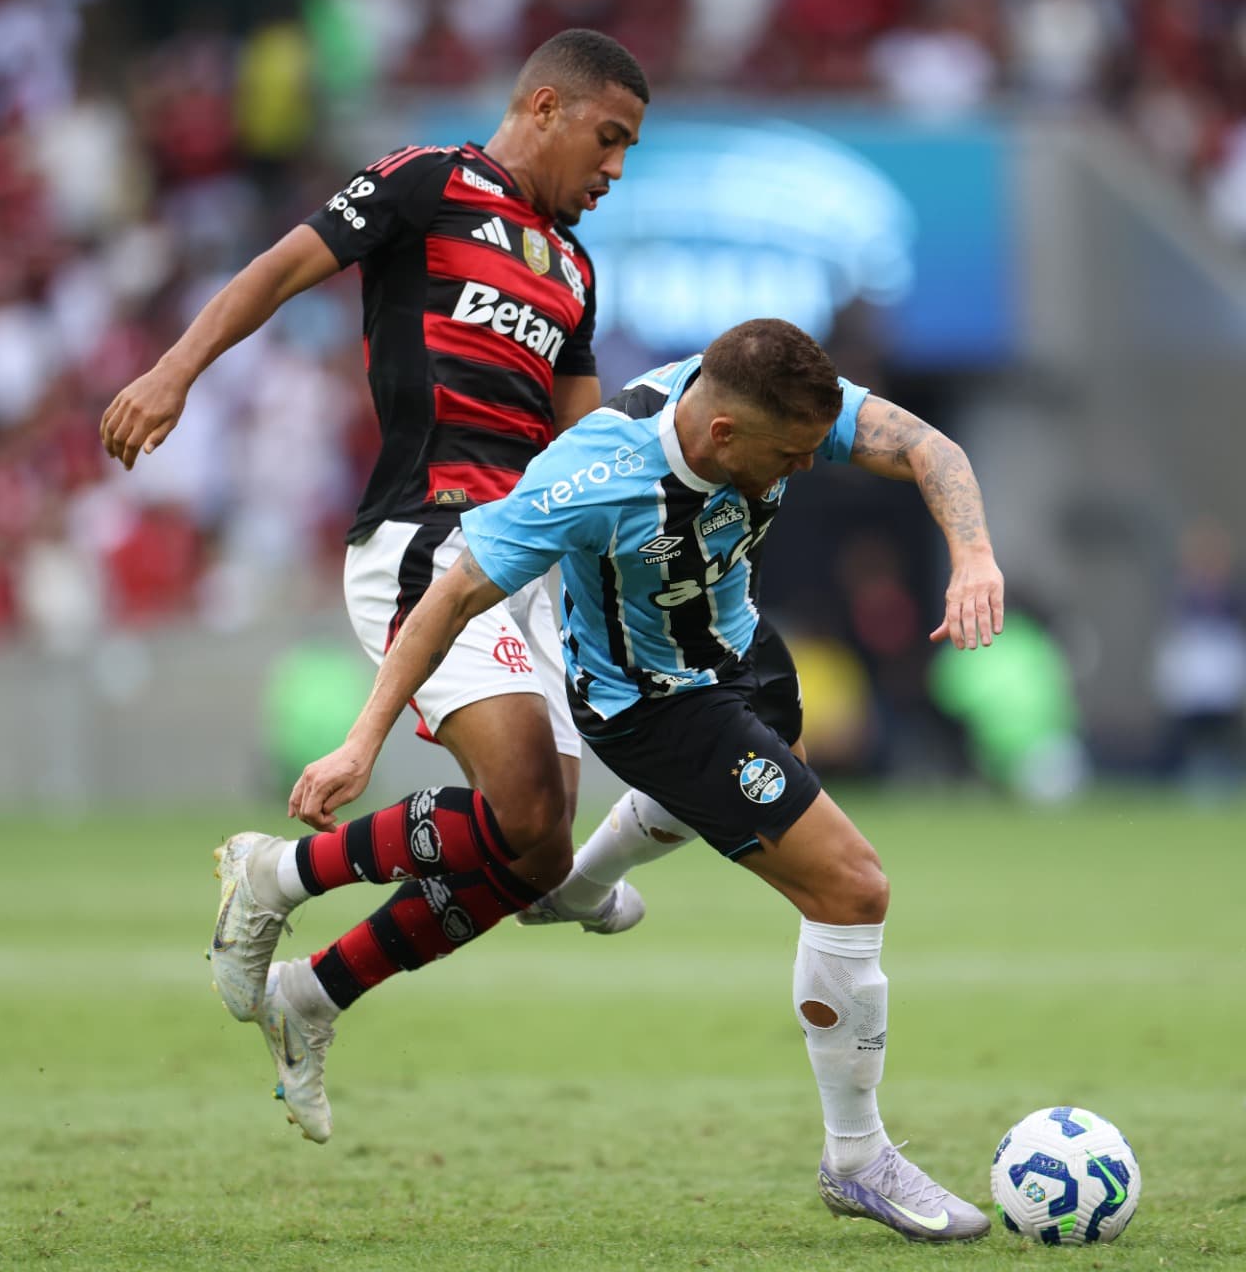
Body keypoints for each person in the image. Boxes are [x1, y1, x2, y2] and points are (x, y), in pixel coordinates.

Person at [290, 319, 1005, 1242]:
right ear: (721, 437)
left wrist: (975, 555)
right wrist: (361, 742)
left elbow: (925, 446)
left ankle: (578, 886)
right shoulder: (594, 476)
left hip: (743, 649)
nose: (796, 472)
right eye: (785, 457)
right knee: (851, 885)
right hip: (652, 706)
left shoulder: (774, 404)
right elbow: (448, 598)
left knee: (777, 792)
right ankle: (858, 1159)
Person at [100, 31, 682, 1136]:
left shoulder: (573, 270)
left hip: (526, 566)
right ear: (545, 105)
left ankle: (311, 996)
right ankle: (276, 872)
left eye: (629, 151)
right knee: (519, 811)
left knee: (537, 852)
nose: (614, 169)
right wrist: (174, 370)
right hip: (427, 540)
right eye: (608, 140)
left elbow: (585, 437)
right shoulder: (429, 182)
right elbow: (281, 266)